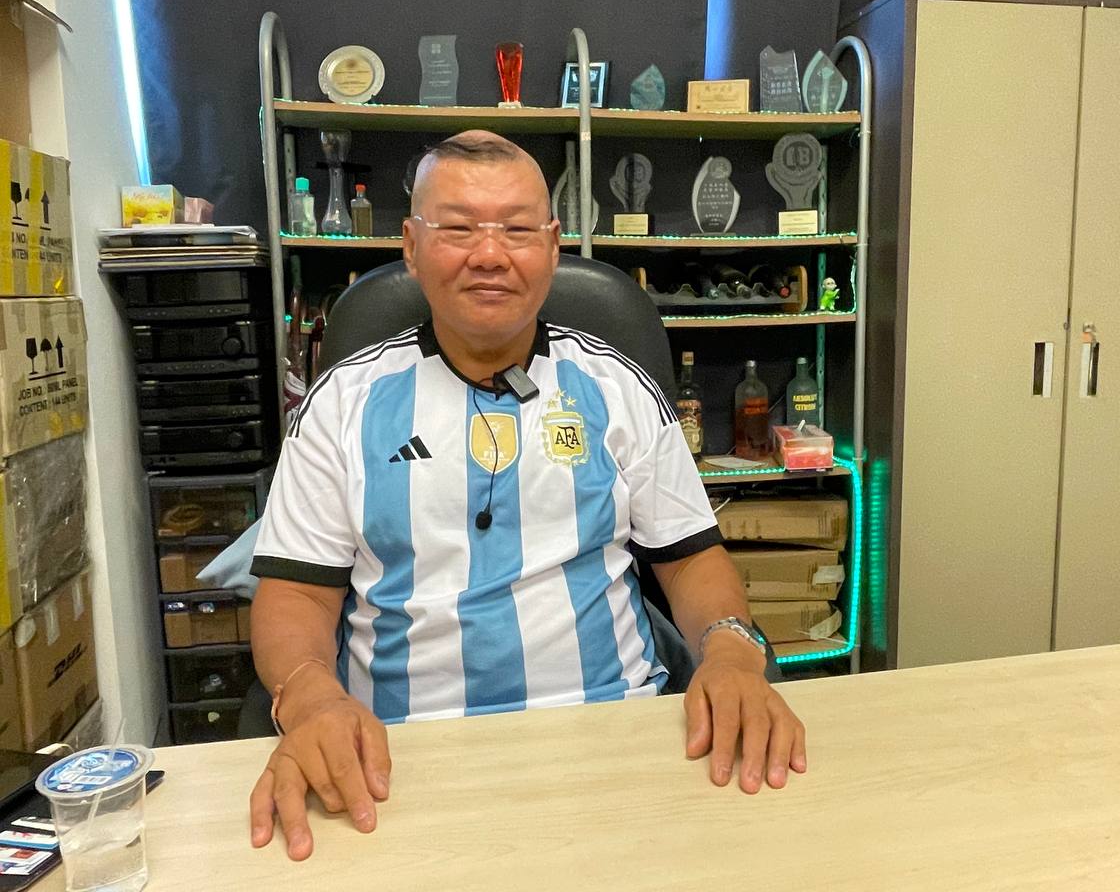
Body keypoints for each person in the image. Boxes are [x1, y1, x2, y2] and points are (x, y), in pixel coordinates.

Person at [248, 131, 806, 861]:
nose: (489, 254)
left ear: (552, 245)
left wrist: (731, 650)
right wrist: (312, 698)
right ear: (412, 247)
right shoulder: (343, 404)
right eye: (457, 229)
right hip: (396, 757)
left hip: (615, 739)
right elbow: (296, 596)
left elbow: (693, 562)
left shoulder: (616, 388)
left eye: (516, 230)